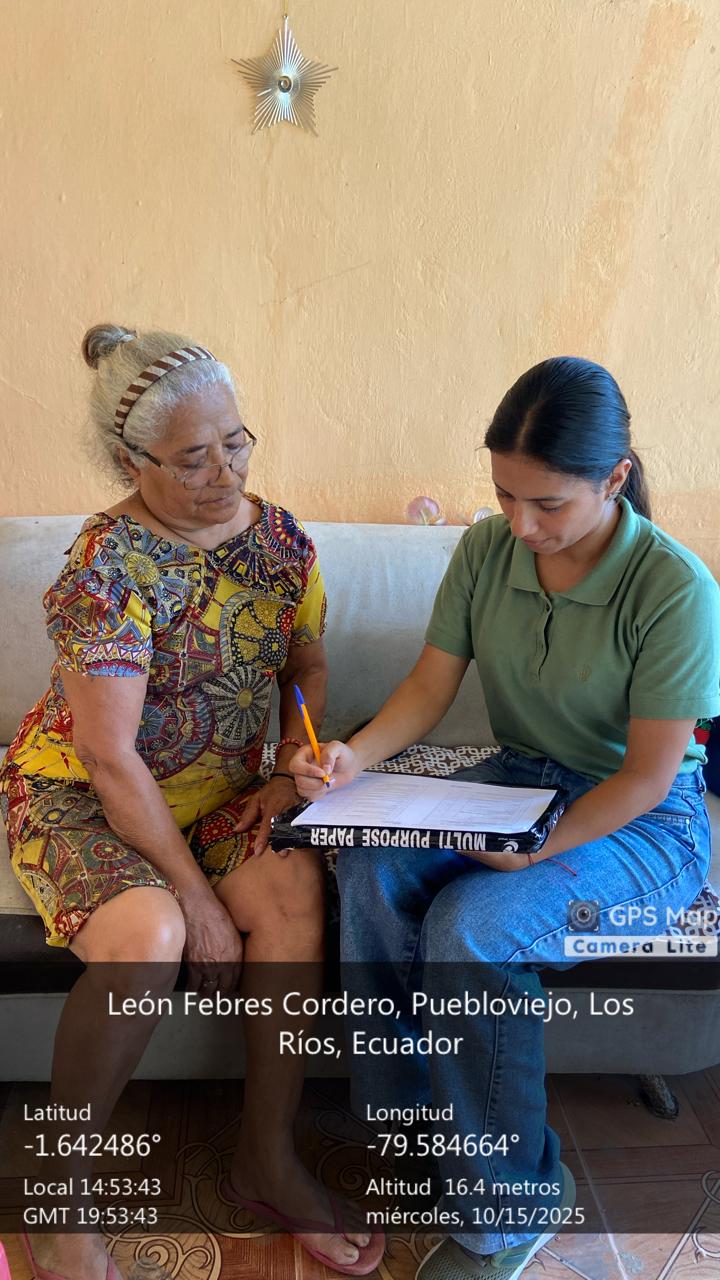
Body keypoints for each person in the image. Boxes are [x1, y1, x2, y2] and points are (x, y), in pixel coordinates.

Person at [291, 356, 720, 1280]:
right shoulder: (487, 551)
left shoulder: (676, 589)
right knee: (369, 865)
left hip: (645, 824)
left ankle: (510, 1207)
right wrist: (352, 756)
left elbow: (649, 778)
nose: (522, 525)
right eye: (505, 496)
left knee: (475, 925)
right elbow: (428, 687)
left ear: (614, 477)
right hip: (521, 780)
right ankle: (418, 1129)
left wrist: (539, 848)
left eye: (548, 504)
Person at [0, 325, 383, 1280]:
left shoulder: (280, 540)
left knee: (293, 888)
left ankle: (267, 1157)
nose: (226, 472)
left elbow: (305, 665)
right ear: (132, 461)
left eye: (237, 442)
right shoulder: (107, 568)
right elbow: (108, 755)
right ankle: (62, 1199)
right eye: (193, 457)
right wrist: (197, 898)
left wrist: (286, 766)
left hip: (223, 791)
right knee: (152, 933)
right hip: (83, 794)